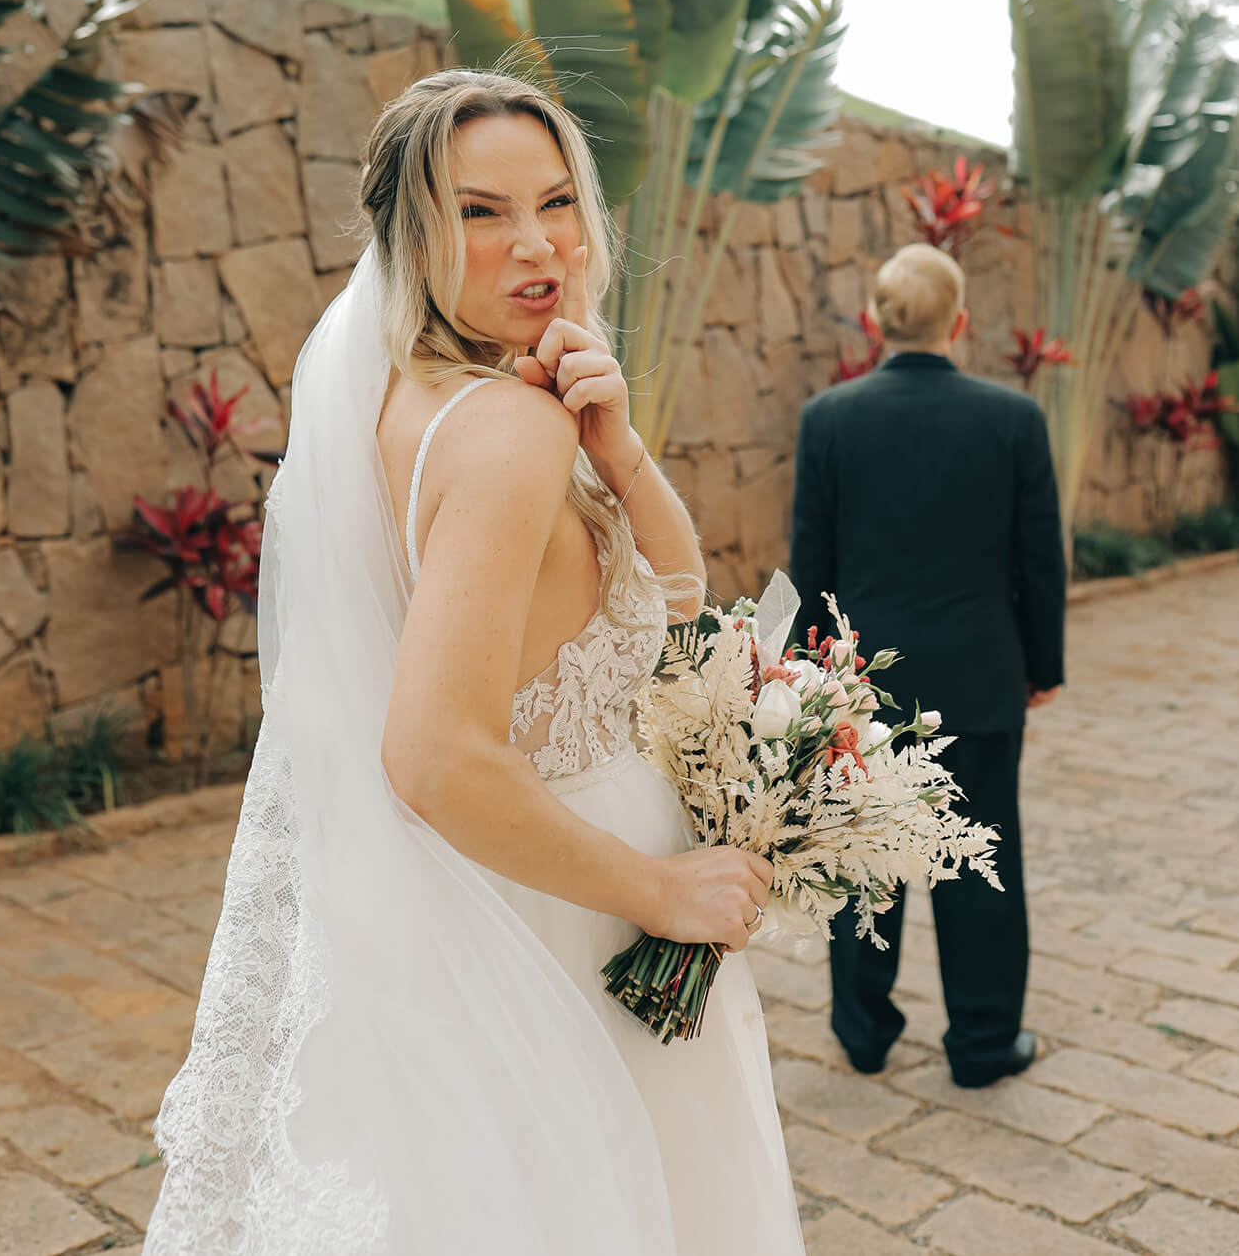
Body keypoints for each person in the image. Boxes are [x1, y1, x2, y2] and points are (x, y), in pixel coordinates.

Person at [144, 69, 803, 1256]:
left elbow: (674, 602)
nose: (537, 243)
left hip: (477, 902)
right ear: (412, 239)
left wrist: (617, 449)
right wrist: (659, 890)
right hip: (564, 923)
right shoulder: (505, 429)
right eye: (482, 211)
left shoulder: (424, 399)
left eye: (556, 203)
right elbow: (434, 757)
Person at [790, 243, 1066, 1090]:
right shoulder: (1013, 418)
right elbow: (1039, 560)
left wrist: (807, 679)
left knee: (861, 861)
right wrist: (1043, 663)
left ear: (874, 322)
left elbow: (812, 562)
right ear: (961, 322)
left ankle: (864, 1032)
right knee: (980, 862)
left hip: (862, 692)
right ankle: (983, 1043)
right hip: (980, 683)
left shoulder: (828, 418)